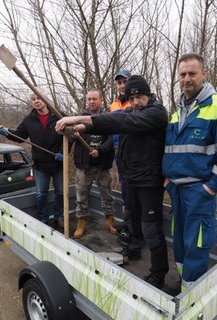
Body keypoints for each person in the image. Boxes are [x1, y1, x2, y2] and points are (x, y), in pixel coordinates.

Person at [56, 75, 169, 290]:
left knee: (151, 229)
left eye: (140, 97)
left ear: (148, 94)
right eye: (132, 97)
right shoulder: (131, 111)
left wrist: (74, 119)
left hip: (149, 182)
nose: (136, 102)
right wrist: (80, 126)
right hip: (132, 179)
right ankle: (134, 249)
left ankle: (158, 273)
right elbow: (109, 120)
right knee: (131, 219)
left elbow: (119, 122)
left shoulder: (156, 113)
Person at [162, 53, 217, 289]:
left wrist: (209, 188)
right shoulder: (178, 112)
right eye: (183, 74)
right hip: (176, 191)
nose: (187, 79)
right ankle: (182, 284)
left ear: (204, 74)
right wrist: (167, 180)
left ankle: (192, 296)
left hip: (199, 191)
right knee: (179, 243)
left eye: (192, 73)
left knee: (196, 246)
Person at [0, 92, 66, 229]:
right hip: (40, 165)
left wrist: (64, 153)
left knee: (60, 193)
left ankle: (59, 217)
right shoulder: (29, 119)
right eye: (33, 99)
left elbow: (70, 136)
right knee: (41, 194)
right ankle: (43, 220)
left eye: (38, 98)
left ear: (45, 99)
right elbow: (20, 135)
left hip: (58, 164)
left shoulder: (60, 116)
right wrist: (7, 132)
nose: (36, 101)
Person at [71, 88, 116, 239]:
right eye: (89, 99)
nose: (91, 101)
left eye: (94, 99)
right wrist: (74, 135)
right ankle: (81, 221)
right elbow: (69, 139)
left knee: (107, 195)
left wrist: (100, 151)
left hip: (102, 165)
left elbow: (111, 140)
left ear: (101, 100)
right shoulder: (79, 118)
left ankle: (110, 221)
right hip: (84, 166)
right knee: (81, 196)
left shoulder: (107, 118)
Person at [109, 69, 133, 246]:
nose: (122, 86)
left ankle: (135, 226)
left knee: (134, 189)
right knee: (124, 188)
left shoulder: (136, 102)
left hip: (133, 151)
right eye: (119, 83)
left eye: (125, 82)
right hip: (118, 151)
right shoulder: (114, 104)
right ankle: (127, 223)